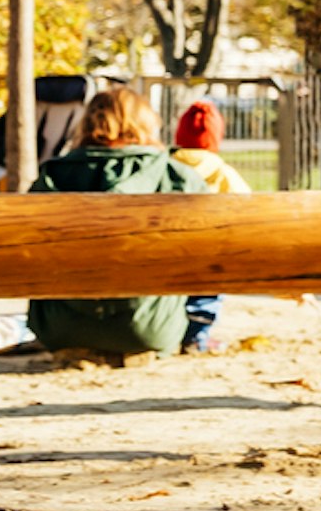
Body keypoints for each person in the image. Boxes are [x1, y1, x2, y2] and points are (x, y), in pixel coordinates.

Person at [28, 86, 206, 357]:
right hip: (151, 328)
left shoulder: (52, 175)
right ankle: (197, 337)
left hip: (59, 327)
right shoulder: (176, 176)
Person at [166, 99, 249, 352]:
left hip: (168, 251)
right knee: (207, 291)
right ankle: (196, 337)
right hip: (208, 254)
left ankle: (172, 333)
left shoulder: (166, 164)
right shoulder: (222, 172)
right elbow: (246, 205)